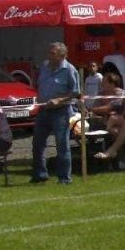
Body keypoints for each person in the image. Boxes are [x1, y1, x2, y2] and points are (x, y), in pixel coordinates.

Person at [30, 41, 80, 184]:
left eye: (52, 54)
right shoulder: (44, 66)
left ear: (62, 55)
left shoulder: (70, 70)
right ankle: (39, 175)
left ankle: (64, 178)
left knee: (62, 145)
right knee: (37, 143)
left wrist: (59, 100)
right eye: (49, 53)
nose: (49, 56)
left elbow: (76, 92)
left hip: (61, 112)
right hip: (43, 110)